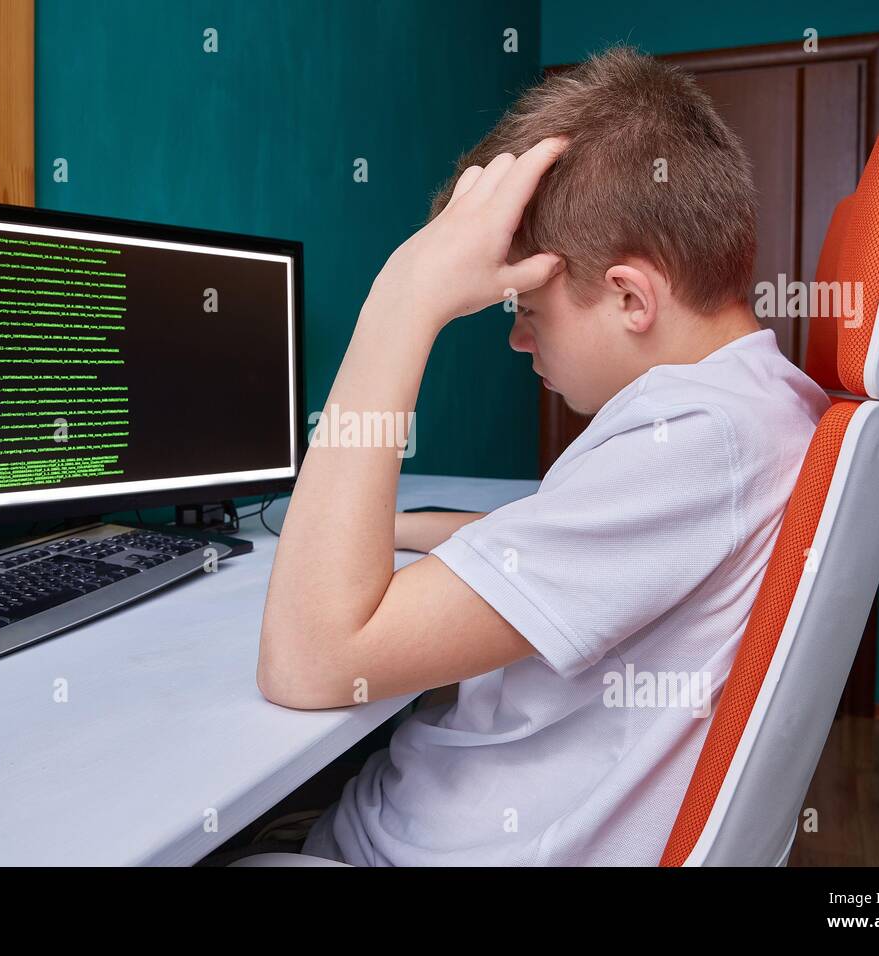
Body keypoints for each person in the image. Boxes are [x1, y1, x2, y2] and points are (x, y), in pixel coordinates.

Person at [255, 46, 828, 865]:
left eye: (528, 309)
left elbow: (308, 662)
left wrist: (404, 294)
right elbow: (553, 543)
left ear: (631, 296)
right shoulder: (755, 403)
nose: (519, 337)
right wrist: (411, 526)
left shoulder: (698, 438)